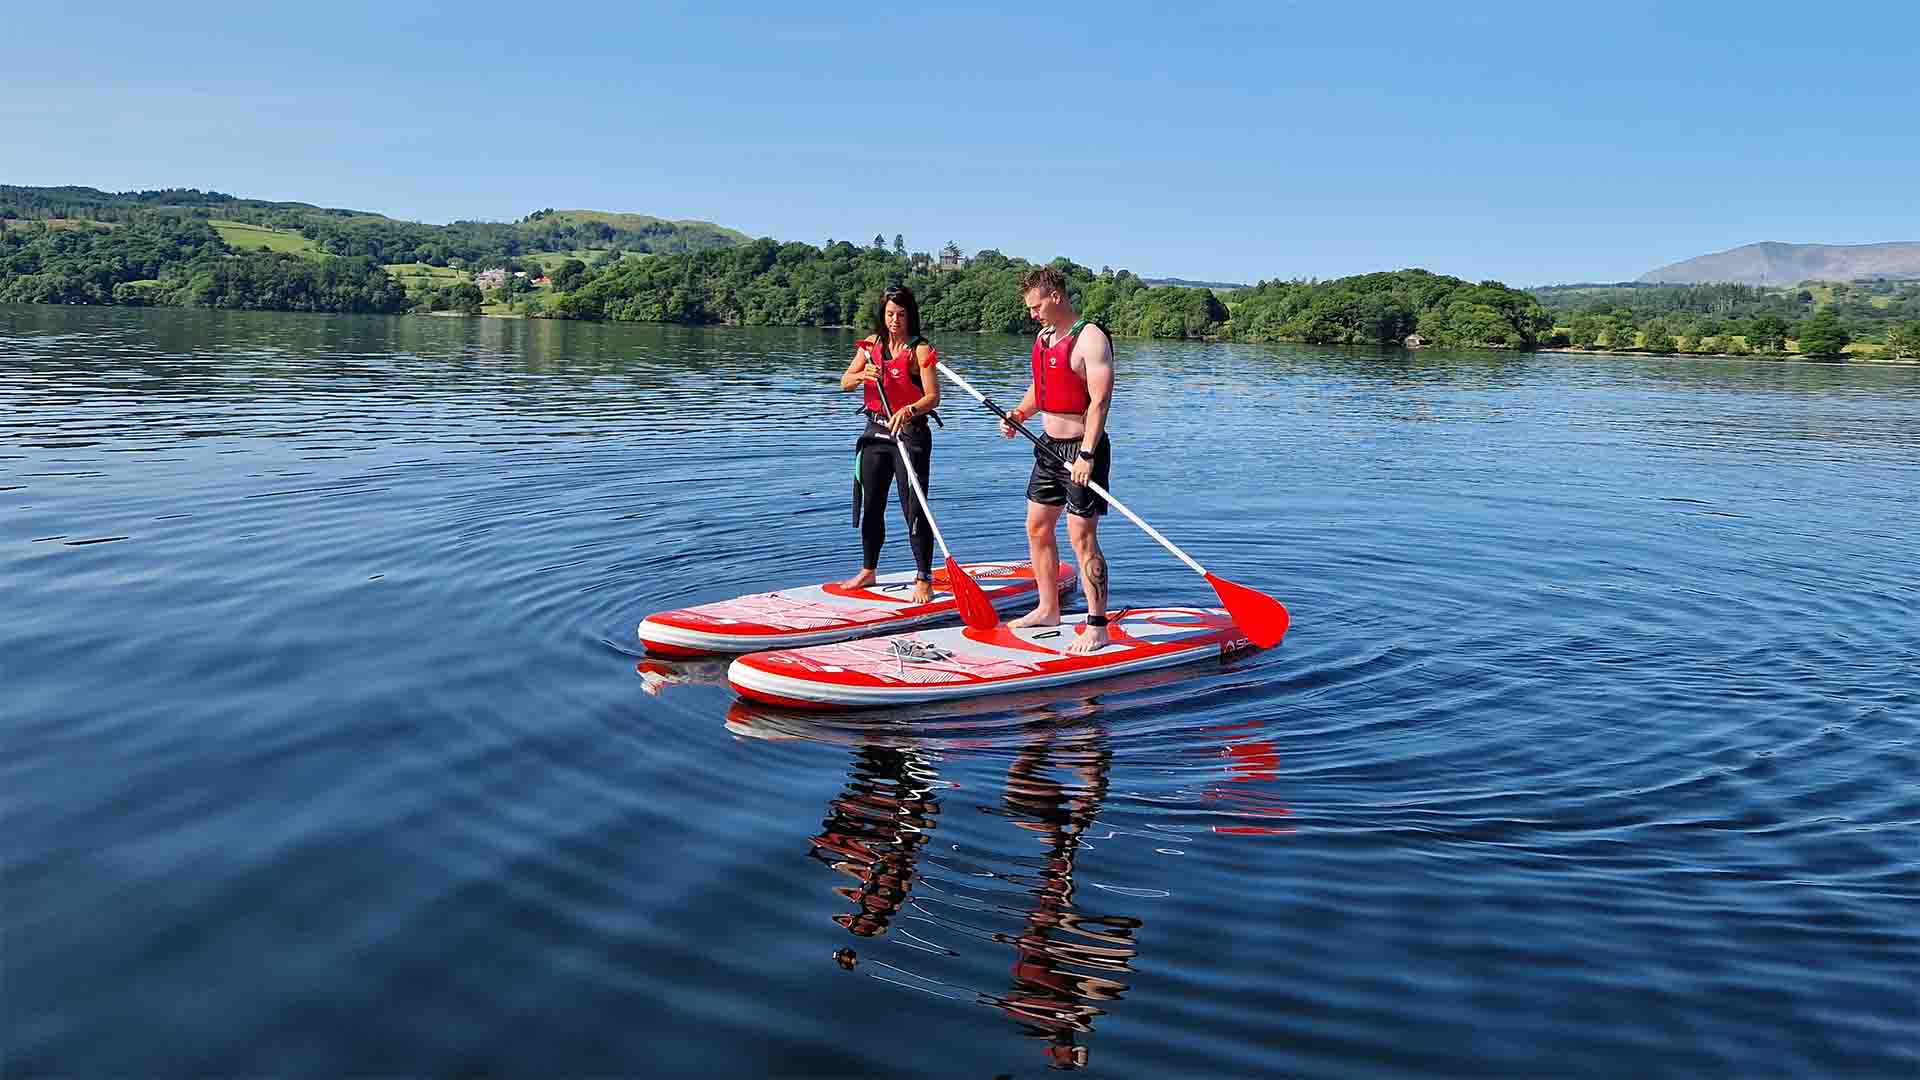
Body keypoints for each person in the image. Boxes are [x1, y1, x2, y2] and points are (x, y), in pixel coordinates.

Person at [998, 268, 1114, 653]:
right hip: (1048, 447)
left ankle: (1097, 624)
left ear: (1057, 297)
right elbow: (1042, 386)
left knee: (1081, 537)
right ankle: (1048, 608)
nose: (1033, 314)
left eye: (1036, 306)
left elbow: (1100, 402)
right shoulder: (1044, 337)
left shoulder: (1091, 338)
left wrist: (1086, 455)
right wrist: (1019, 413)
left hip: (1083, 449)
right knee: (1037, 527)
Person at [840, 285, 941, 604]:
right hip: (876, 433)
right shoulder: (870, 346)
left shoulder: (920, 350)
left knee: (914, 508)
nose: (895, 320)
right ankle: (869, 570)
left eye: (900, 314)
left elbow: (933, 397)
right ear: (882, 316)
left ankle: (924, 577)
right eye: (889, 314)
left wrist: (909, 409)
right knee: (872, 506)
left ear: (910, 316)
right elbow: (844, 383)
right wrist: (861, 376)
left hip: (910, 435)